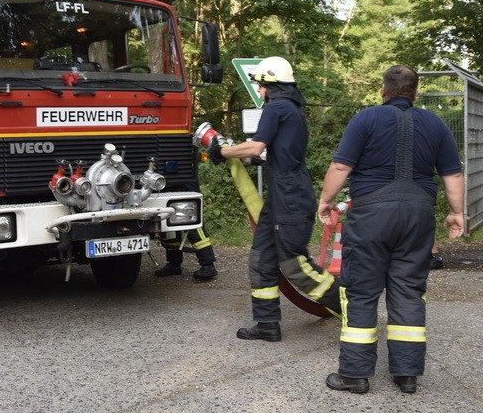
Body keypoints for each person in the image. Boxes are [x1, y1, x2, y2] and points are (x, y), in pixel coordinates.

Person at [318, 65, 464, 395]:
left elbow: (341, 166)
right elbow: (452, 176)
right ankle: (407, 374)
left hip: (371, 216)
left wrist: (326, 201)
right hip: (417, 217)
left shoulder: (366, 119)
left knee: (361, 290)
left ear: (384, 90)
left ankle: (355, 374)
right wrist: (456, 213)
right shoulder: (435, 124)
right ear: (414, 92)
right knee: (409, 290)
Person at [208, 56, 335, 342]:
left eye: (261, 86)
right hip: (283, 195)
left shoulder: (276, 107)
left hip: (289, 196)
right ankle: (267, 323)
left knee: (293, 263)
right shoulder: (290, 108)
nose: (260, 92)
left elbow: (255, 147)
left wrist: (222, 151)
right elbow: (274, 155)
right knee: (261, 258)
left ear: (271, 84)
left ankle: (349, 305)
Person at [155, 179, 217, 281]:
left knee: (193, 226)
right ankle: (174, 265)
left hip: (185, 184)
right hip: (166, 185)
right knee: (170, 228)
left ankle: (208, 265)